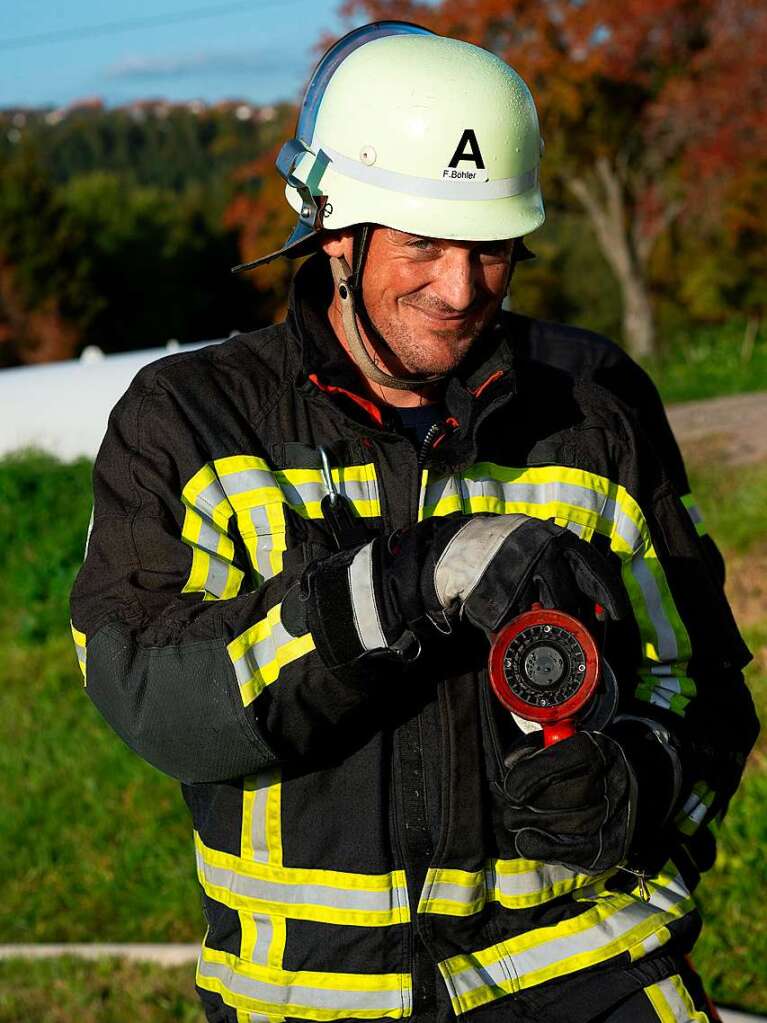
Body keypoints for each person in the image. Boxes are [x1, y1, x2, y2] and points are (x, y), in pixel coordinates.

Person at [70, 22, 758, 1023]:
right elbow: (150, 695)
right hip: (307, 998)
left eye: (488, 249)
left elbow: (699, 687)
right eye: (421, 242)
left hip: (588, 977)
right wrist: (391, 586)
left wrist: (633, 778)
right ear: (332, 231)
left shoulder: (591, 406)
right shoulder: (193, 421)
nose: (458, 288)